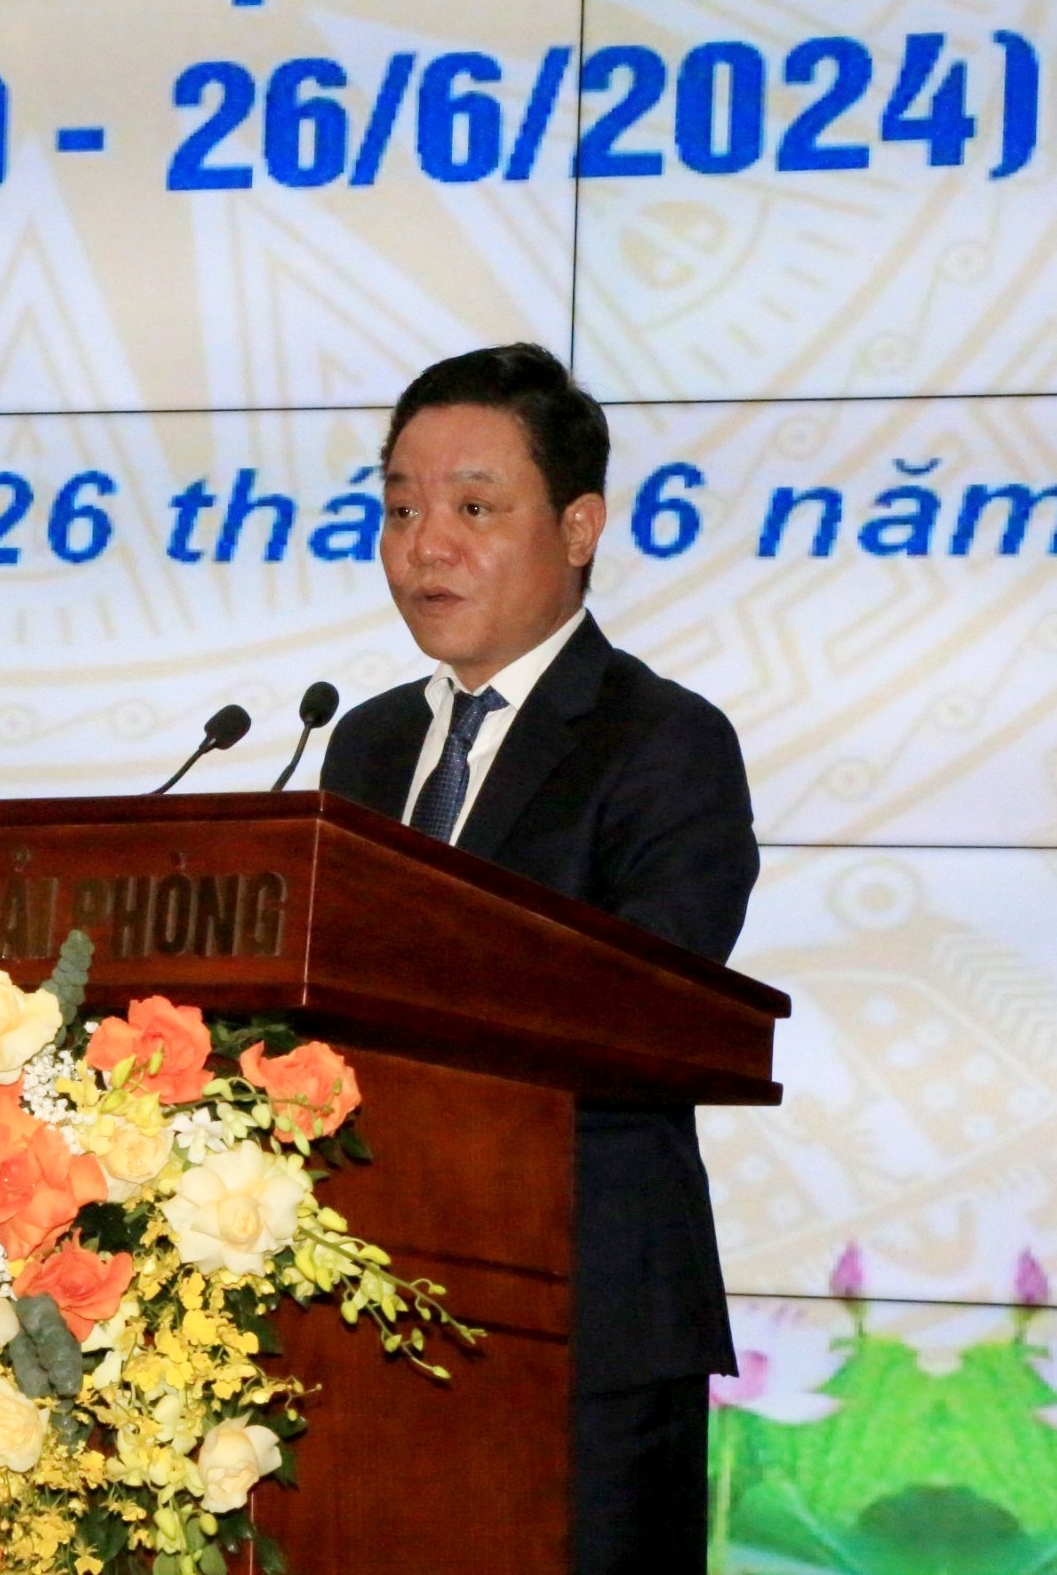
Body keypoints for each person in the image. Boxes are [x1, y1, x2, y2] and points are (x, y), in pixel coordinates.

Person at [318, 343, 757, 1573]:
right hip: (367, 1303)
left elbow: (651, 1000)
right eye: (399, 507)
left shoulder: (662, 740)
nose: (424, 544)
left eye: (472, 507)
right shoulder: (365, 744)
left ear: (578, 526)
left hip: (585, 1319)